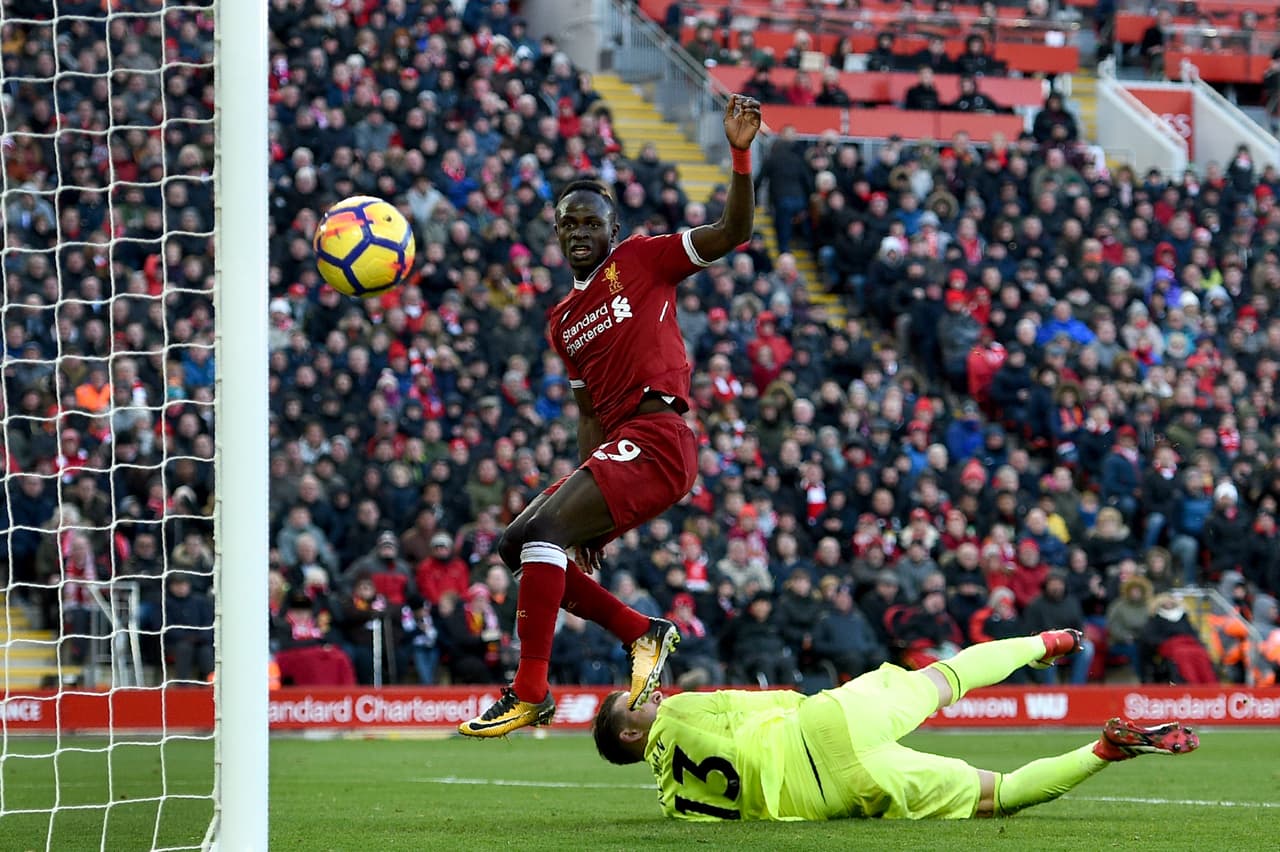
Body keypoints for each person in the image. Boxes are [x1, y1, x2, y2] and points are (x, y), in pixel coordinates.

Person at [460, 95, 763, 737]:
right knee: (517, 543)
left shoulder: (644, 260)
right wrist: (587, 505)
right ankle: (641, 632)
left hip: (660, 437)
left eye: (589, 223)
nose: (577, 232)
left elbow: (734, 233)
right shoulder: (562, 322)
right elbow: (588, 414)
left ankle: (530, 691)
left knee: (543, 535)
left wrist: (739, 153)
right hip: (618, 446)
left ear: (612, 230)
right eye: (566, 224)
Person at [592, 630, 1199, 821]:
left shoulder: (674, 804)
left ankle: (1104, 750)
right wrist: (813, 707)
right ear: (629, 732)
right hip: (824, 724)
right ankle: (1045, 642)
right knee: (945, 679)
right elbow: (762, 702)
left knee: (1002, 796)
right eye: (634, 701)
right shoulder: (677, 709)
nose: (649, 693)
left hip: (833, 793)